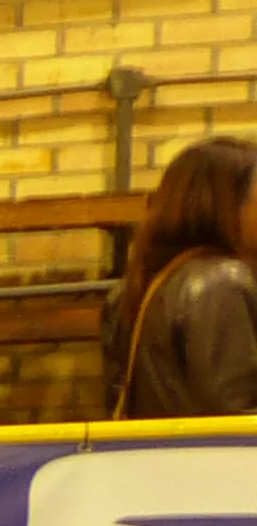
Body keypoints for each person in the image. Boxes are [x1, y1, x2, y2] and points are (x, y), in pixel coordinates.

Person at [109, 135, 257, 419]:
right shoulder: (224, 283)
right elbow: (240, 419)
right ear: (225, 207)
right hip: (214, 462)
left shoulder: (137, 285)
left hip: (159, 458)